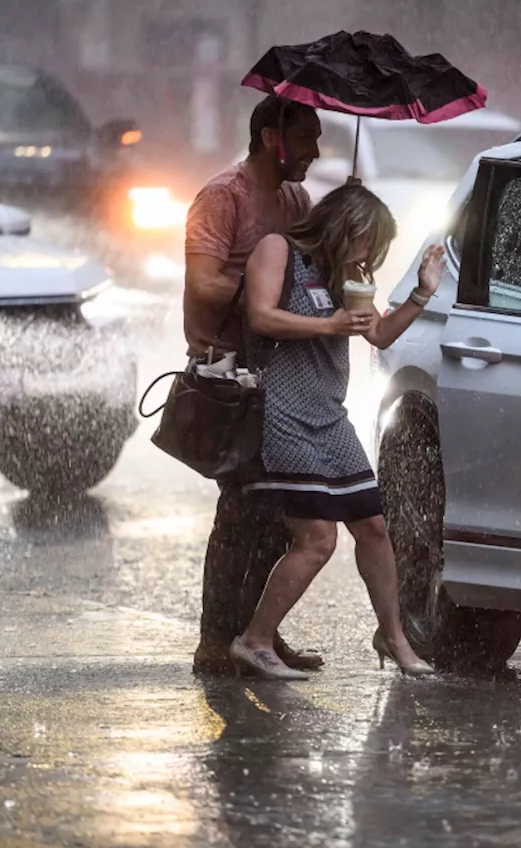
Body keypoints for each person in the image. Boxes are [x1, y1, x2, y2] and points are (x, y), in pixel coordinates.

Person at [228, 184, 446, 680]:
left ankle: (394, 637)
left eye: (375, 249)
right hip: (283, 412)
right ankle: (255, 640)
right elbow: (261, 316)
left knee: (373, 528)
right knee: (318, 539)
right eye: (366, 241)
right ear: (343, 224)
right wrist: (330, 326)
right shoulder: (278, 249)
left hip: (330, 416)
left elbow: (380, 334)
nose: (368, 254)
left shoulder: (346, 275)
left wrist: (421, 293)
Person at [185, 93, 323, 675]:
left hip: (282, 377)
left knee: (278, 513)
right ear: (273, 136)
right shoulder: (223, 197)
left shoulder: (296, 200)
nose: (315, 152)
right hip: (232, 379)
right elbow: (202, 282)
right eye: (308, 138)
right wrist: (262, 293)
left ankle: (258, 631)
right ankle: (215, 642)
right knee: (240, 513)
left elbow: (312, 270)